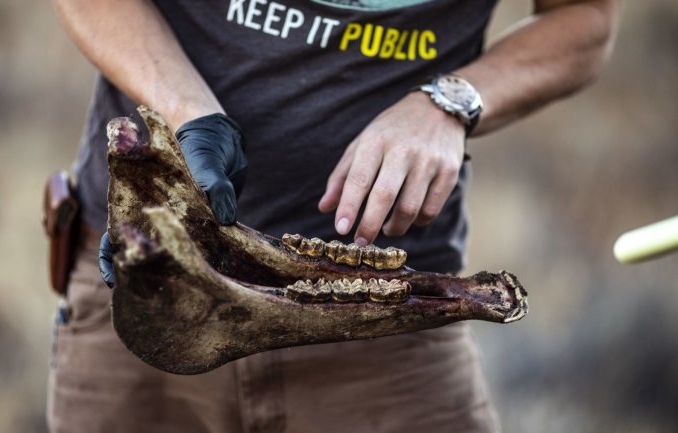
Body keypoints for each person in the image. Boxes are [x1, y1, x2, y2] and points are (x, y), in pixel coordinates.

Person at [48, 0, 619, 431]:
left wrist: (450, 100)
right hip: (151, 291)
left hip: (387, 317)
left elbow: (585, 19)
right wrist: (189, 114)